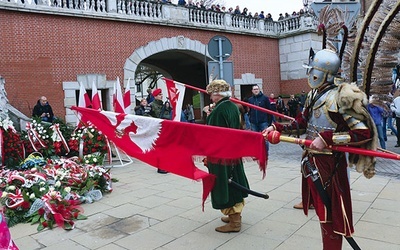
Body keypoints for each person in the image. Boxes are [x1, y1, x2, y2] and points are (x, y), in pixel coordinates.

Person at [263, 48, 376, 249]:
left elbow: (362, 133)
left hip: (330, 165)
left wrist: (327, 139)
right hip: (312, 160)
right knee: (323, 215)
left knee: (332, 218)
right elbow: (303, 123)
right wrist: (278, 127)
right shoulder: (314, 94)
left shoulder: (342, 97)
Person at [205, 79, 249, 233]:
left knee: (226, 184)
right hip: (232, 152)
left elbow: (213, 135)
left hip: (222, 155)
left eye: (212, 94)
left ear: (217, 94)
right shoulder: (232, 106)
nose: (210, 97)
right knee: (235, 180)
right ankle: (233, 215)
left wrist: (209, 155)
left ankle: (235, 222)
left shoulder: (220, 110)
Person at [149, 88, 170, 173]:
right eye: (159, 95)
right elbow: (145, 115)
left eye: (161, 95)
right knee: (160, 148)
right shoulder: (151, 105)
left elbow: (168, 116)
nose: (161, 96)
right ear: (155, 96)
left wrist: (168, 109)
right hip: (157, 129)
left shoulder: (164, 105)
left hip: (165, 128)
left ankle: (165, 165)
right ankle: (160, 167)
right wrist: (155, 121)